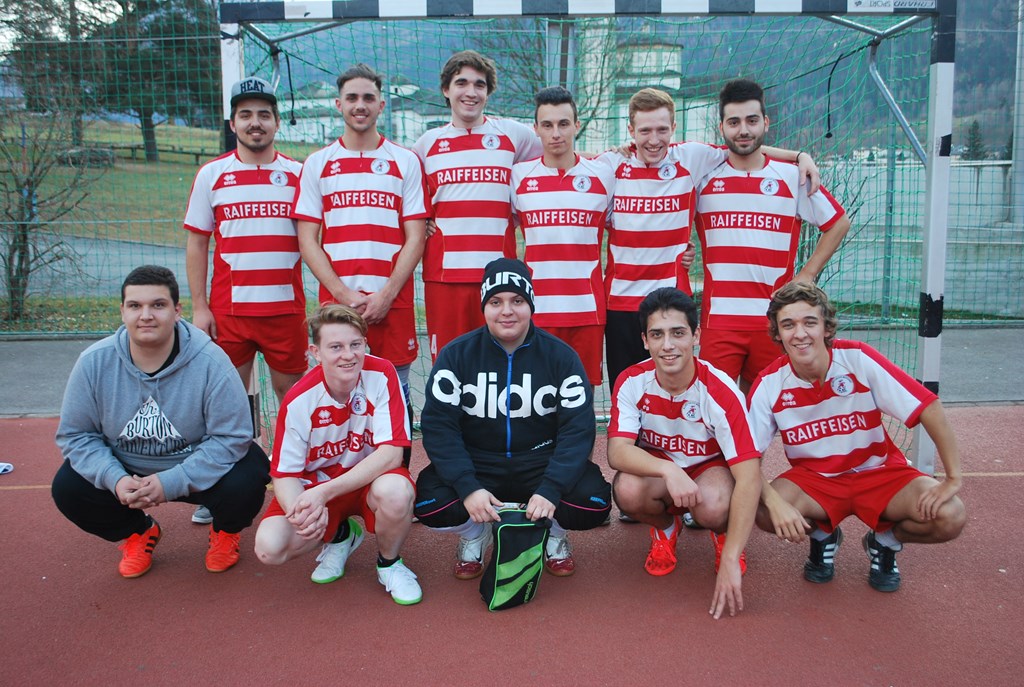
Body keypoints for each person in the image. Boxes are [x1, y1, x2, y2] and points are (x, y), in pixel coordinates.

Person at [600, 87, 820, 397]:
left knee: (677, 391)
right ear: (631, 130)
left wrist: (799, 156)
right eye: (645, 130)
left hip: (672, 299)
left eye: (662, 130)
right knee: (625, 392)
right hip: (620, 302)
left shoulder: (692, 157)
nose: (654, 139)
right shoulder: (612, 165)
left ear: (674, 128)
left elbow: (744, 147)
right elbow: (576, 162)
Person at [748, 282, 966, 592]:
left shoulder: (857, 358)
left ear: (826, 327)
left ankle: (884, 541)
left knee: (950, 515)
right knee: (762, 510)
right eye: (788, 325)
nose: (800, 333)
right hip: (816, 481)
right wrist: (775, 502)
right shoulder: (769, 383)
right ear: (777, 333)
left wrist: (953, 478)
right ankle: (823, 534)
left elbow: (928, 407)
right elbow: (747, 457)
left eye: (809, 322)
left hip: (878, 473)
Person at [52, 265, 268, 578]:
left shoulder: (211, 361)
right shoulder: (93, 363)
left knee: (250, 472)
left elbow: (232, 437)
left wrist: (171, 481)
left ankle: (225, 531)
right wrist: (114, 478)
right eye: (135, 306)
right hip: (126, 468)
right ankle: (138, 532)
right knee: (68, 487)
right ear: (122, 311)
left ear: (177, 311)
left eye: (158, 305)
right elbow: (76, 435)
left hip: (192, 466)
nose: (146, 315)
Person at [415, 258, 611, 580]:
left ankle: (553, 533)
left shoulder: (561, 356)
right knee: (428, 504)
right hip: (479, 463)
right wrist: (467, 487)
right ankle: (475, 534)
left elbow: (577, 429)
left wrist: (551, 488)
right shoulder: (456, 354)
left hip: (540, 462)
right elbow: (439, 426)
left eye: (517, 301)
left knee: (594, 503)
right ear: (484, 307)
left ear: (531, 304)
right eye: (496, 302)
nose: (507, 311)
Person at [184, 76, 306, 525]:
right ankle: (220, 485)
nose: (256, 123)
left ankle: (293, 475)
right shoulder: (212, 174)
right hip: (229, 312)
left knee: (293, 399)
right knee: (228, 403)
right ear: (232, 123)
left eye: (264, 115)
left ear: (276, 122)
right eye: (246, 115)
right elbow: (197, 242)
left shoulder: (299, 174)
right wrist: (200, 307)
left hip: (285, 310)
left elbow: (319, 237)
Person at [608, 287, 761, 619]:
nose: (668, 345)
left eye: (678, 333)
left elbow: (750, 476)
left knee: (715, 504)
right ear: (645, 341)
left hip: (710, 470)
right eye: (657, 335)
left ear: (696, 335)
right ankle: (666, 529)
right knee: (627, 489)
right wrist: (669, 470)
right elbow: (617, 452)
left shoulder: (721, 390)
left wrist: (732, 557)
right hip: (664, 472)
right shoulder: (632, 381)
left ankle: (725, 538)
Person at [253, 304, 421, 606]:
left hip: (367, 482)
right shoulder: (299, 399)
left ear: (365, 344)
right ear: (315, 353)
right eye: (336, 347)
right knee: (269, 547)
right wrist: (304, 516)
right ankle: (340, 535)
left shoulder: (382, 374)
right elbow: (284, 474)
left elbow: (391, 455)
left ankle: (389, 564)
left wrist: (324, 493)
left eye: (355, 344)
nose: (348, 355)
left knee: (397, 491)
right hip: (318, 487)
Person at [695, 78, 850, 393]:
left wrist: (807, 275)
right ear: (721, 127)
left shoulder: (792, 176)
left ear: (765, 122)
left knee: (766, 408)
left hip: (774, 319)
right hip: (720, 320)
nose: (744, 130)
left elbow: (838, 223)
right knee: (715, 408)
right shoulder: (703, 174)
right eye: (734, 122)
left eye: (752, 121)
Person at [292, 63, 428, 401]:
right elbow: (307, 240)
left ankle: (396, 442)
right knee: (339, 392)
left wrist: (386, 295)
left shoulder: (406, 161)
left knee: (394, 393)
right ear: (339, 104)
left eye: (368, 98)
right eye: (352, 98)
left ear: (381, 105)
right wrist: (342, 294)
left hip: (392, 301)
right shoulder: (318, 163)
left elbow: (416, 237)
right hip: (337, 303)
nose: (360, 105)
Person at [412, 50, 543, 361]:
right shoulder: (426, 144)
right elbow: (411, 202)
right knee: (450, 363)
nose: (470, 92)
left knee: (499, 361)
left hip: (497, 276)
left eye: (479, 85)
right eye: (461, 83)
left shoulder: (514, 135)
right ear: (446, 90)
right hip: (445, 277)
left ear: (488, 92)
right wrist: (423, 221)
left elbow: (556, 156)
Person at [510, 86, 615, 387]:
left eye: (563, 124)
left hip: (587, 310)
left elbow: (629, 230)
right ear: (536, 129)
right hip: (536, 311)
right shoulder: (518, 176)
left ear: (576, 125)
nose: (556, 133)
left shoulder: (603, 175)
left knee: (580, 398)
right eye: (547, 125)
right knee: (535, 395)